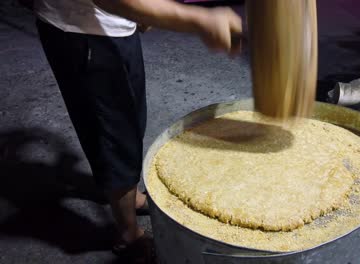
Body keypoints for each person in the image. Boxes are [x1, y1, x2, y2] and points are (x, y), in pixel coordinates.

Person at [27, 0, 242, 262]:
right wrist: (198, 19)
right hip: (84, 34)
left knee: (130, 122)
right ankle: (128, 234)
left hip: (112, 26)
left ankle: (129, 198)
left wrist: (140, 9)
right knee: (113, 138)